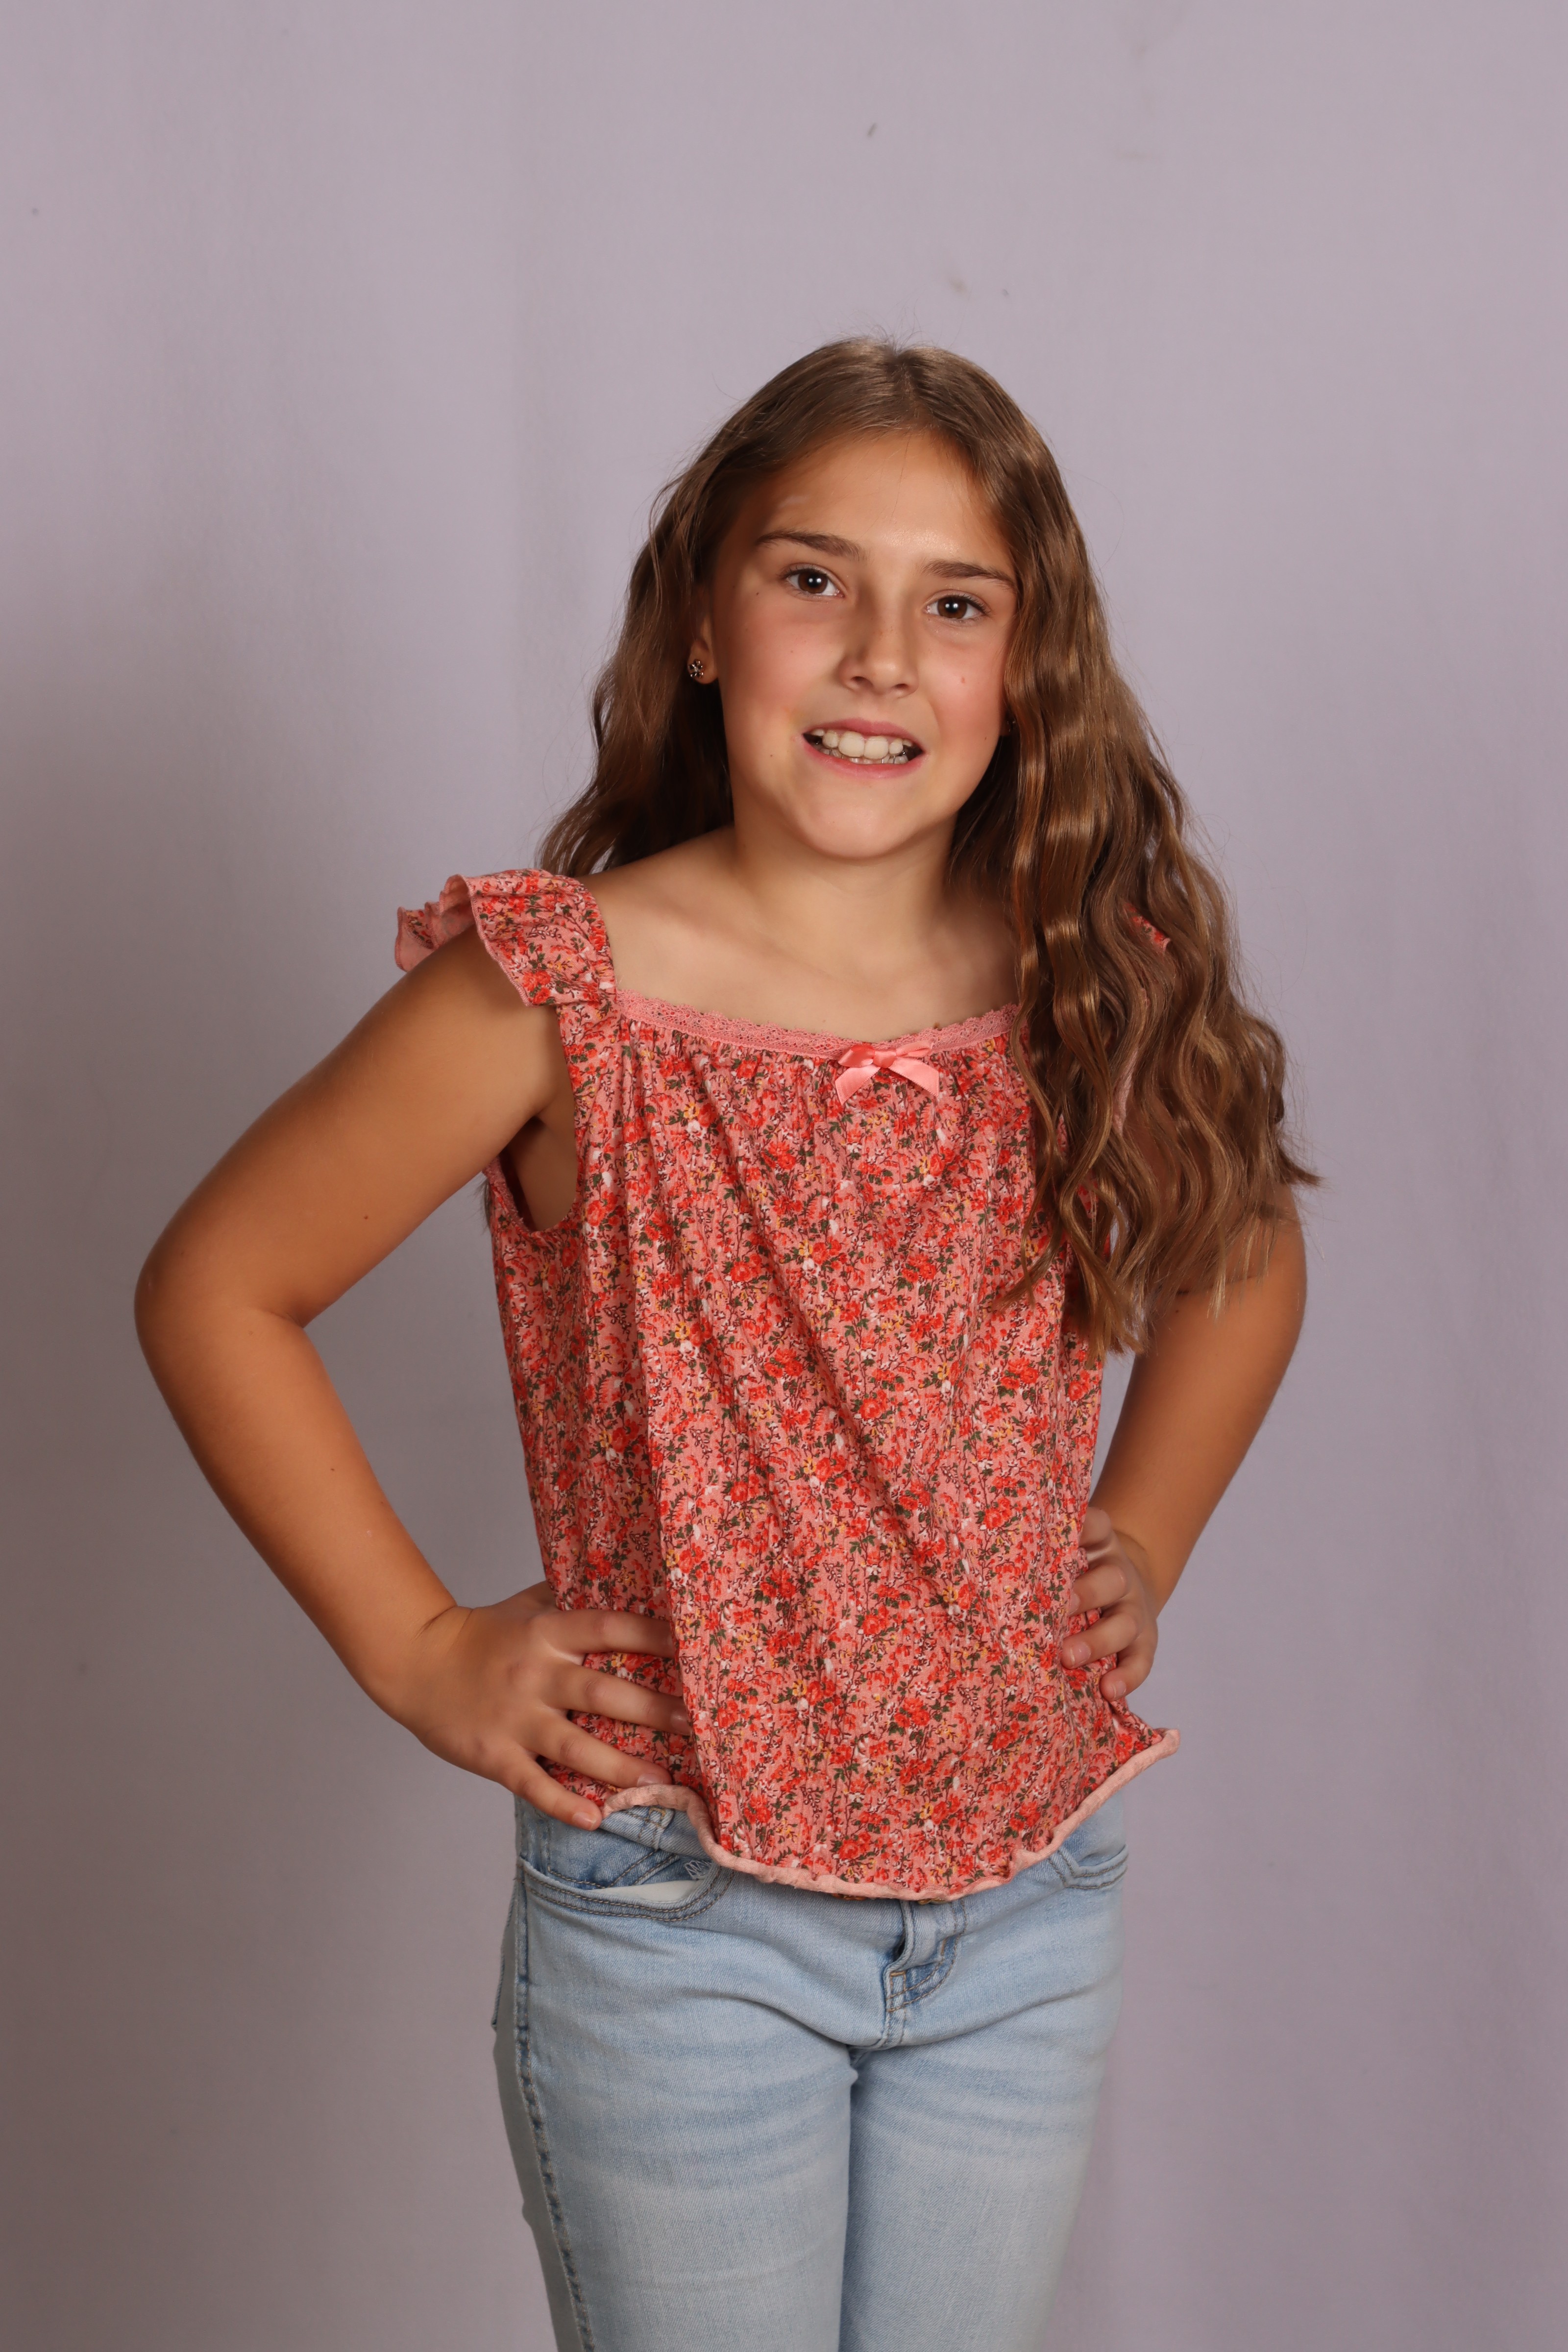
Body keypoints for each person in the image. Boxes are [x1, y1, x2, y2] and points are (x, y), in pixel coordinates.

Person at [136, 339, 1311, 2352]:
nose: (880, 656)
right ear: (702, 620)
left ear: (1027, 666)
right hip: (682, 1923)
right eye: (811, 578)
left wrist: (1148, 1529)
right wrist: (419, 1648)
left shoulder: (1081, 975)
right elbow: (218, 1286)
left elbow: (1240, 1249)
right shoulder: (557, 994)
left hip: (1024, 1907)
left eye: (956, 604)